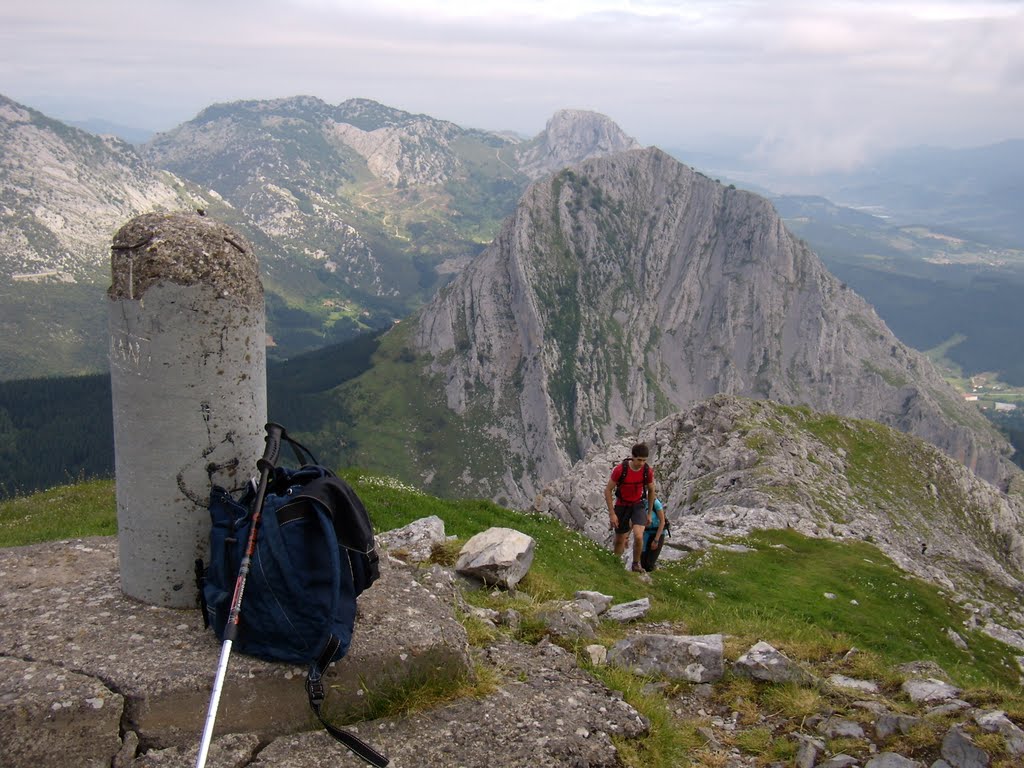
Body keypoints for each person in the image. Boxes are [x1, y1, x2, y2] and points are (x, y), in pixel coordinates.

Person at [604, 442, 656, 573]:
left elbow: (651, 490)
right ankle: (615, 563)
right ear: (632, 457)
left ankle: (636, 564)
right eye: (639, 460)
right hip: (622, 505)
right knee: (620, 540)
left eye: (644, 460)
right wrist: (612, 513)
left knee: (639, 536)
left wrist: (649, 513)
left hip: (638, 505)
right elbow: (608, 490)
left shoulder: (647, 471)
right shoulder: (620, 470)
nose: (641, 463)